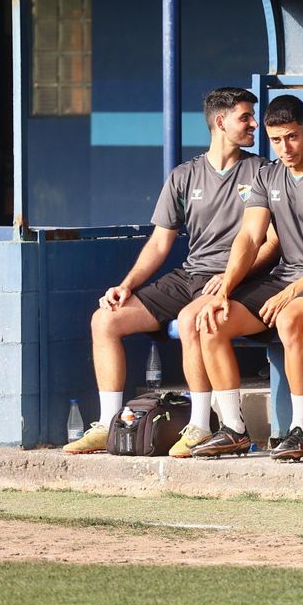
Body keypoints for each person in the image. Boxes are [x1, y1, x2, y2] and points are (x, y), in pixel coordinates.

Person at [66, 88, 267, 456]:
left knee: (193, 320)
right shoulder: (184, 175)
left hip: (237, 278)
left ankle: (201, 426)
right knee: (105, 320)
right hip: (190, 274)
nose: (255, 123)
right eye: (245, 117)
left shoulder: (262, 172)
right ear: (220, 122)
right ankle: (110, 424)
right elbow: (160, 244)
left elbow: (269, 241)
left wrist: (232, 278)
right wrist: (125, 285)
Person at [186, 94, 303, 459]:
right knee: (211, 321)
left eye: (292, 137)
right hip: (283, 278)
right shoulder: (268, 175)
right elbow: (249, 237)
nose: (285, 148)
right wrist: (224, 289)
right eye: (276, 140)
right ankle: (233, 429)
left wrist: (293, 291)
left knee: (291, 319)